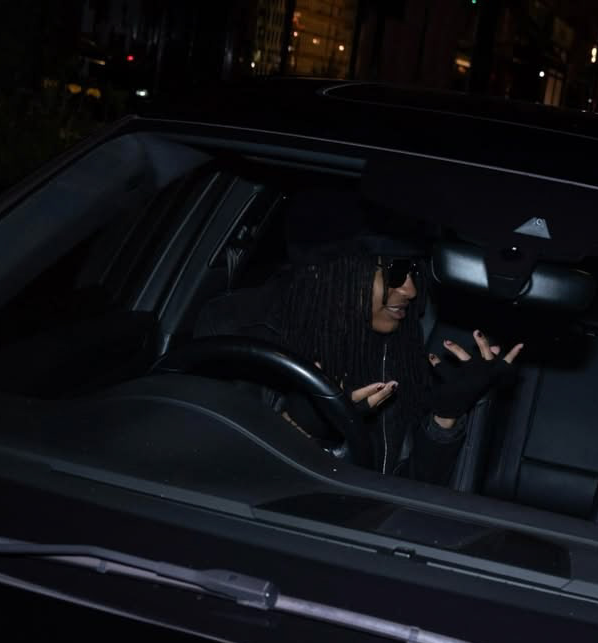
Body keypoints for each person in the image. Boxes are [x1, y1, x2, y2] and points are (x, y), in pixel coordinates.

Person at [194, 187, 521, 485]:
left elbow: (404, 490)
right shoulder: (240, 332)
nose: (410, 290)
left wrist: (445, 417)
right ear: (332, 273)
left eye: (413, 272)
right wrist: (300, 424)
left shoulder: (396, 349)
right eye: (395, 272)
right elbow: (211, 476)